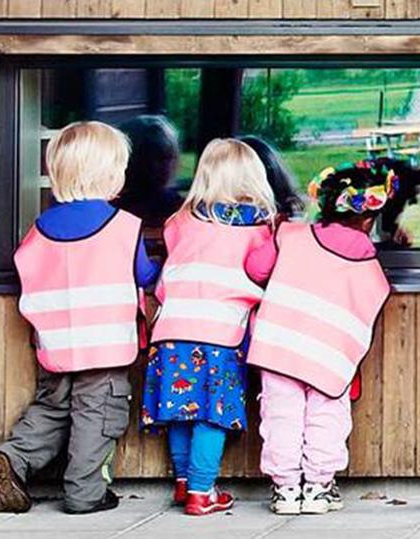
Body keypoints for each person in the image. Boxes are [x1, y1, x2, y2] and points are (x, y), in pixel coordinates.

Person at [0, 121, 159, 514]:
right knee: (97, 417)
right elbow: (144, 275)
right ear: (112, 174)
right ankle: (85, 493)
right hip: (105, 349)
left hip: (56, 347)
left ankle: (13, 457)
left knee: (52, 409)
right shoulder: (124, 226)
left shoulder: (40, 228)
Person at [245, 158, 420, 515]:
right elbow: (371, 299)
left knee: (281, 416)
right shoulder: (371, 264)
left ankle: (286, 489)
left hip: (280, 348)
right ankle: (318, 486)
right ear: (370, 217)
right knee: (326, 417)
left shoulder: (290, 236)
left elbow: (255, 268)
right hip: (330, 356)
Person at [142, 138, 277, 516]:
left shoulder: (180, 221)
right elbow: (262, 271)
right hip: (220, 334)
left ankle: (184, 484)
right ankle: (203, 492)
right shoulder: (259, 226)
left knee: (179, 408)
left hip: (169, 329)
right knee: (210, 414)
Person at [116, 115, 184, 227]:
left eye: (168, 158)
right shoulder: (116, 212)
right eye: (156, 158)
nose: (164, 167)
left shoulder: (177, 208)